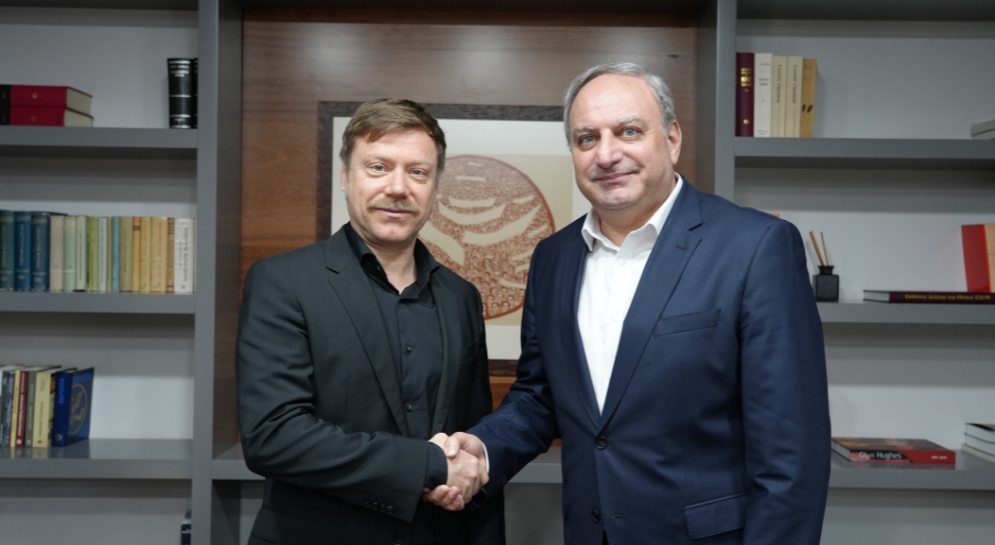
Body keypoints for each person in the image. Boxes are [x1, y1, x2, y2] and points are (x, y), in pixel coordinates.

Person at [427, 62, 831, 545]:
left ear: (672, 139)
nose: (607, 154)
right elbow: (541, 395)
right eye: (587, 139)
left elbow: (792, 450)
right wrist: (484, 448)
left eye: (629, 131)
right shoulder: (553, 257)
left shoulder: (756, 246)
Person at [236, 98, 504, 545]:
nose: (398, 188)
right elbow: (273, 436)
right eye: (378, 167)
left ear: (435, 186)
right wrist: (427, 465)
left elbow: (470, 442)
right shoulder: (283, 282)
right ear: (346, 176)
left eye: (418, 172)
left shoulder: (461, 297)